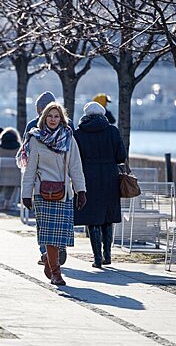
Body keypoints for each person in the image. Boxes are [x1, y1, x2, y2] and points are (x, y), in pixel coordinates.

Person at [18, 102, 87, 285]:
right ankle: (56, 273)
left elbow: (75, 167)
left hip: (63, 192)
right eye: (50, 116)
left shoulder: (69, 139)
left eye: (56, 116)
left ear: (61, 119)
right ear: (44, 118)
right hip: (42, 193)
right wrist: (26, 194)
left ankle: (50, 265)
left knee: (60, 234)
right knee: (49, 234)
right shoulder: (35, 138)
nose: (53, 119)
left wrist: (81, 191)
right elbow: (30, 168)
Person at [74, 101, 127, 268]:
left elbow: (75, 159)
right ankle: (108, 255)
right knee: (107, 217)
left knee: (92, 218)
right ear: (103, 114)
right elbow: (121, 156)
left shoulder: (79, 133)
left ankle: (97, 258)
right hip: (110, 177)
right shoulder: (112, 131)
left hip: (88, 177)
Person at [24, 91, 72, 265]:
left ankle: (46, 252)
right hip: (61, 181)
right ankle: (55, 251)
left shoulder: (32, 126)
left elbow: (26, 154)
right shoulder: (69, 127)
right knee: (56, 220)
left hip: (42, 182)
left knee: (43, 221)